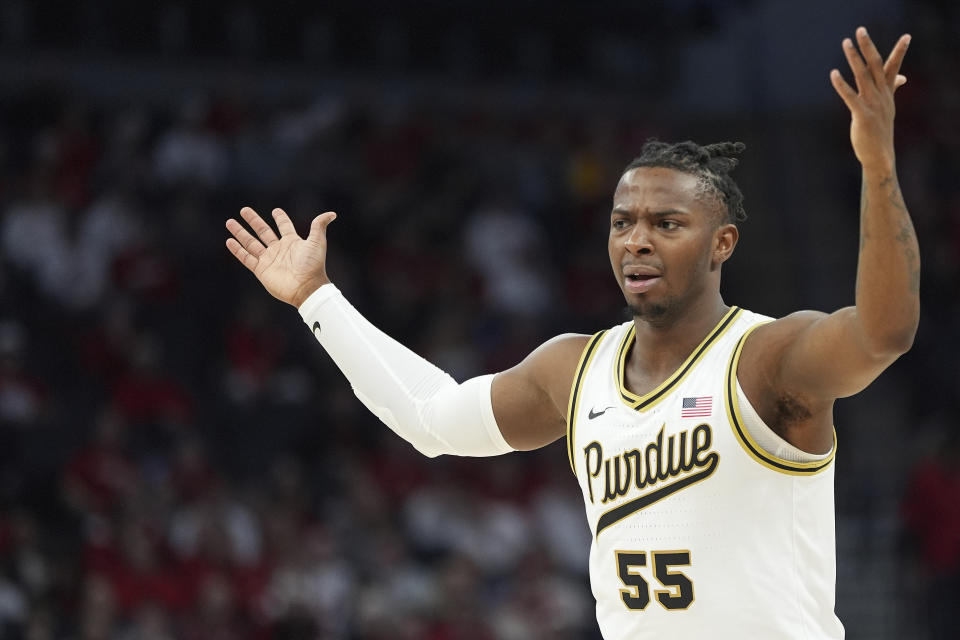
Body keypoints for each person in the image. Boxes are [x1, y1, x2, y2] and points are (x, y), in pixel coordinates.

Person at [225, 27, 917, 640]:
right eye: (623, 223)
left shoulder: (766, 358)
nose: (637, 242)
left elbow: (883, 333)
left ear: (722, 244)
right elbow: (428, 420)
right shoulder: (574, 370)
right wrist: (318, 298)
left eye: (666, 225)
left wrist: (878, 168)